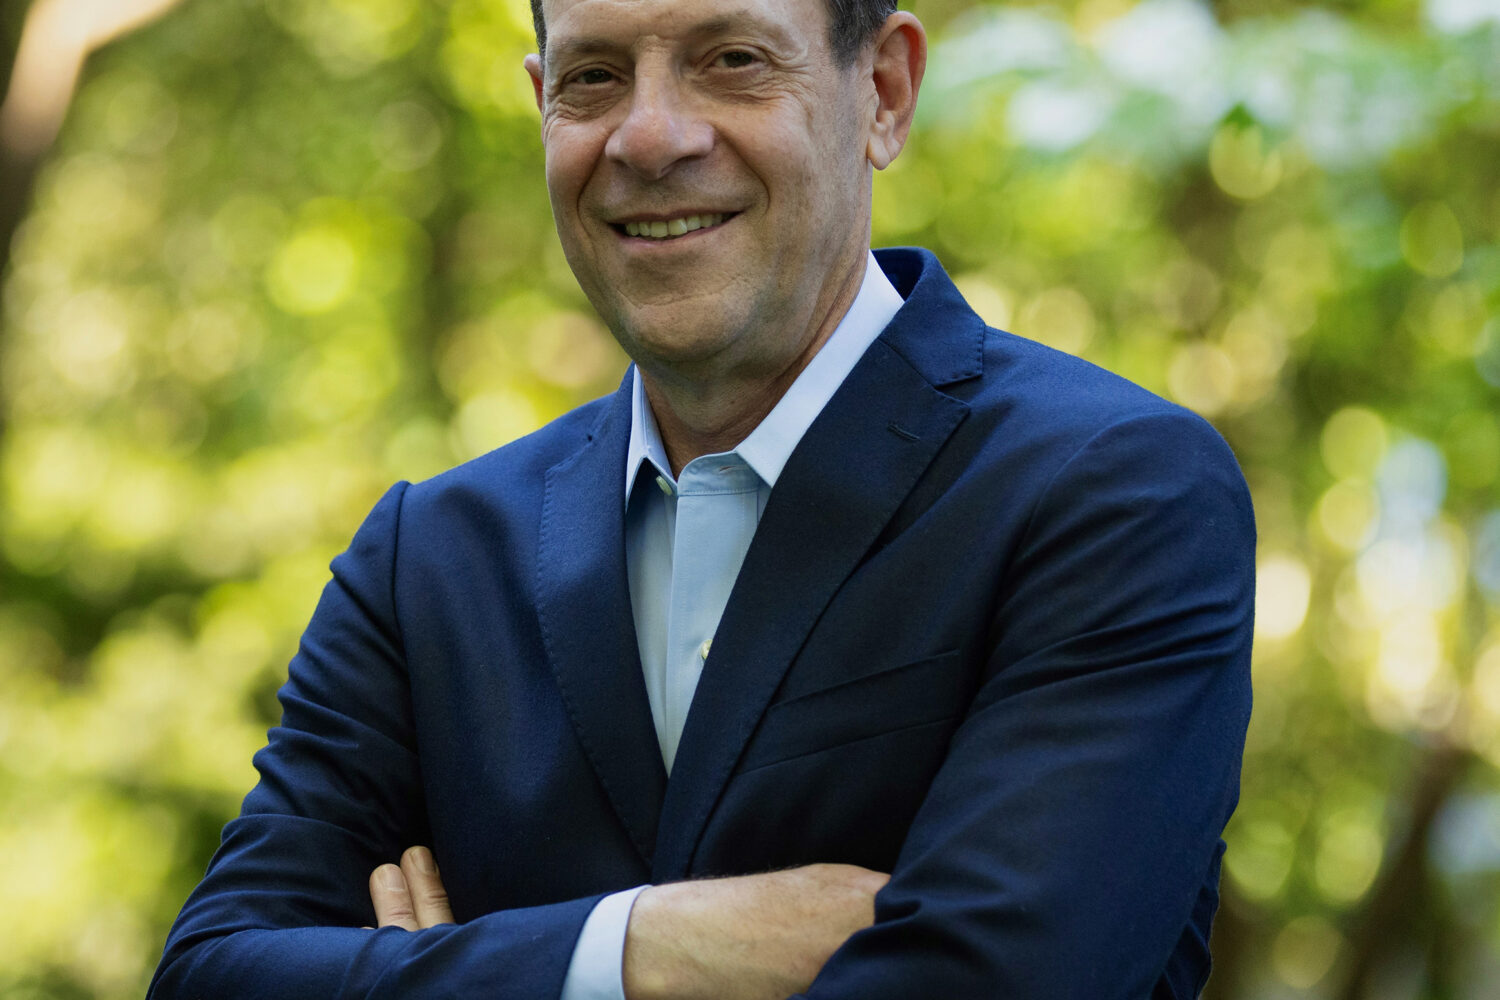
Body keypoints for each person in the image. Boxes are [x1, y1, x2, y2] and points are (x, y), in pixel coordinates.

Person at [149, 0, 1255, 995]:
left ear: (883, 92)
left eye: (732, 60)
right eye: (593, 77)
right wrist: (638, 949)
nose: (649, 137)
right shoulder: (427, 559)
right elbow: (212, 974)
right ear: (542, 106)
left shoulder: (1112, 492)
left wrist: (445, 971)